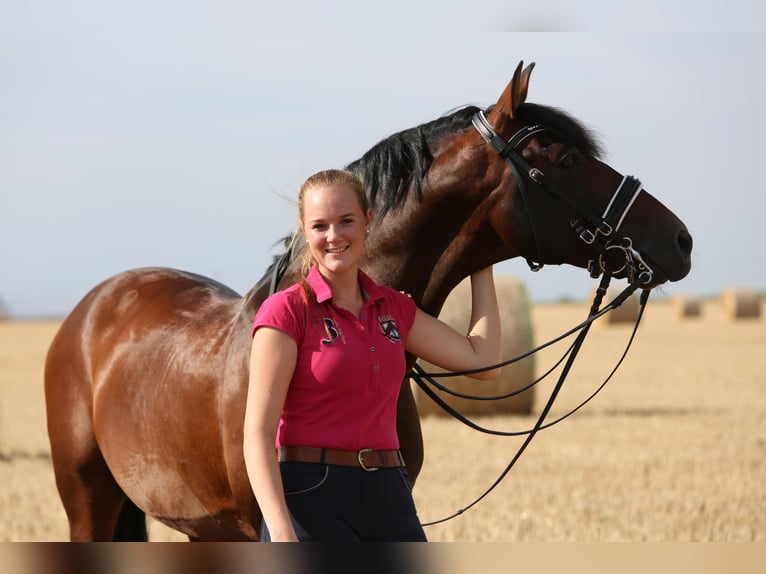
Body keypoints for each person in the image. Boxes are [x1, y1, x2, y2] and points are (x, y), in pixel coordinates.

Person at [243, 169, 501, 542]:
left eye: (346, 221)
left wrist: (482, 263)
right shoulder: (286, 311)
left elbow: (483, 361)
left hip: (389, 492)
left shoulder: (393, 308)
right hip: (310, 494)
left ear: (367, 221)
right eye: (320, 226)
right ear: (304, 230)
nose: (334, 236)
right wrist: (281, 530)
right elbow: (258, 433)